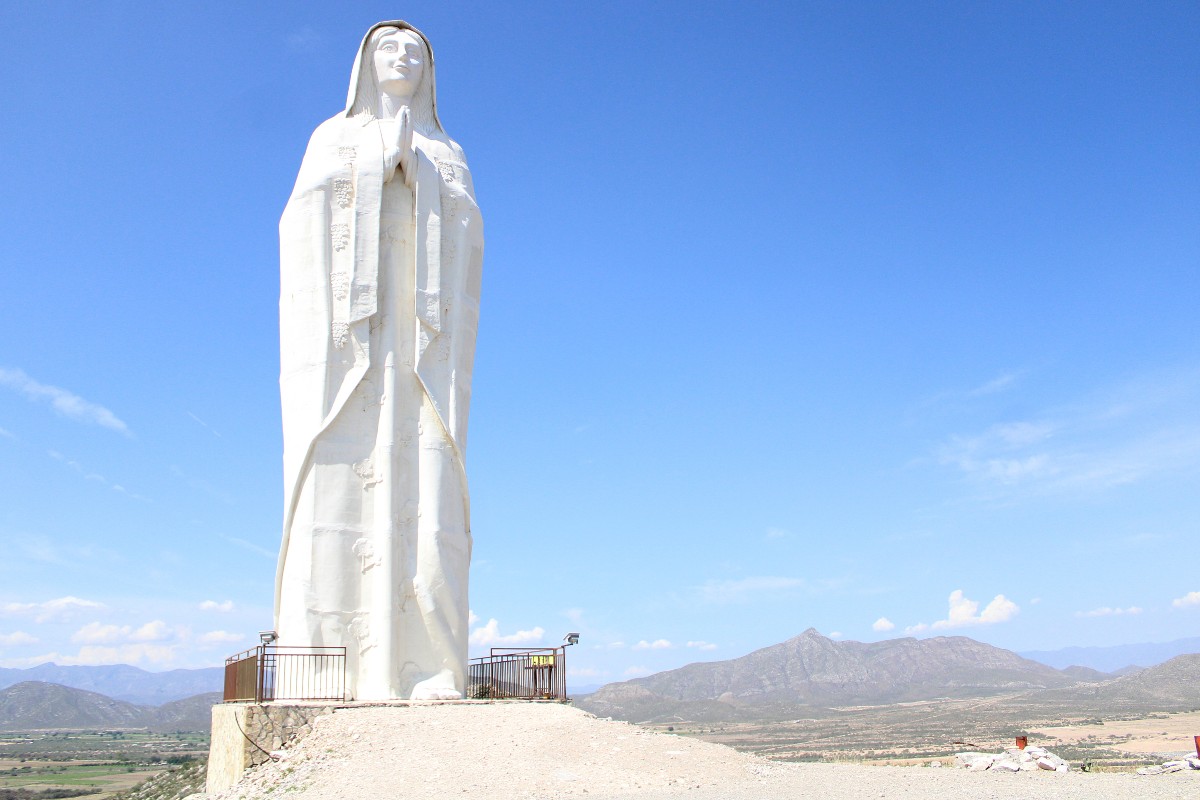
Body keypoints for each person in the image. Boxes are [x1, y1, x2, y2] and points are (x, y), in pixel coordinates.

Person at [273, 21, 482, 701]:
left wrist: (416, 170)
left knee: (429, 493)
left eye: (416, 52)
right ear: (365, 63)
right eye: (389, 49)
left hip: (421, 351)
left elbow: (469, 233)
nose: (403, 58)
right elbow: (301, 220)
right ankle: (326, 673)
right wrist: (373, 165)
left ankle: (426, 669)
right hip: (349, 351)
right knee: (335, 487)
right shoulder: (330, 138)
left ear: (431, 72)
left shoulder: (447, 151)